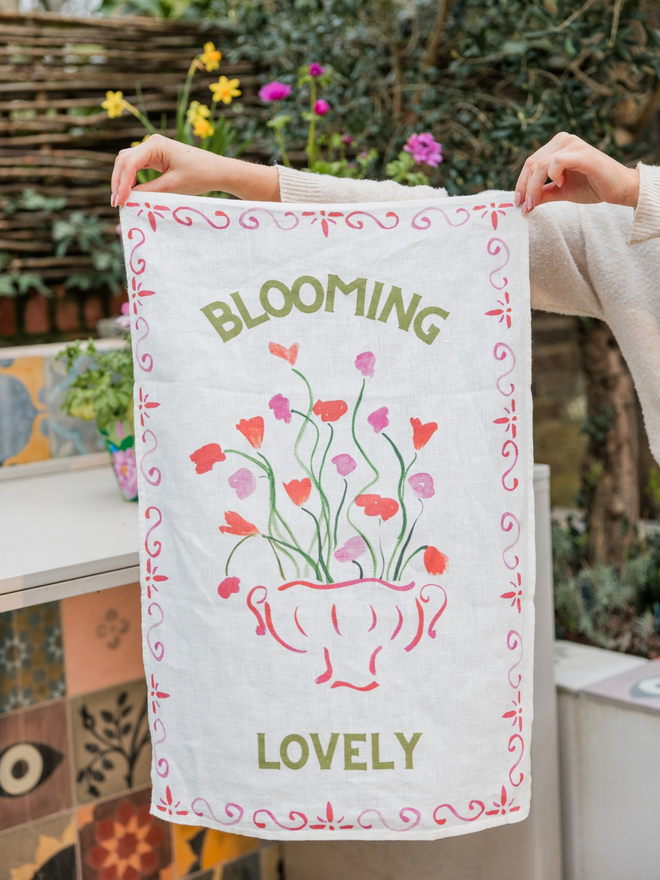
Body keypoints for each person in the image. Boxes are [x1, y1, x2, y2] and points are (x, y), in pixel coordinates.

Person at [111, 132, 660, 461]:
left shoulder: (636, 210)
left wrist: (639, 191)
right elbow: (427, 226)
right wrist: (228, 175)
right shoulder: (623, 235)